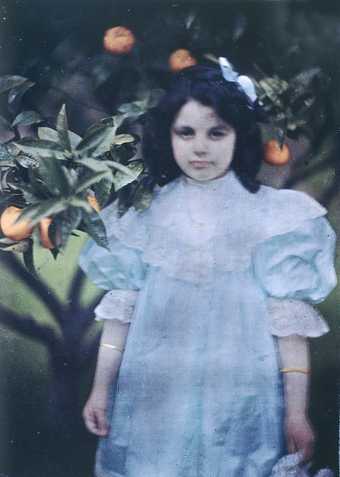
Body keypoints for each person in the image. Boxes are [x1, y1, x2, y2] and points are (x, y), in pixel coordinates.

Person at [79, 61, 337, 477]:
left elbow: (289, 328)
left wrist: (296, 413)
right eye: (187, 132)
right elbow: (120, 314)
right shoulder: (144, 216)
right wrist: (100, 390)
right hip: (156, 392)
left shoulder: (271, 218)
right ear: (169, 136)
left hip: (240, 389)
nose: (201, 147)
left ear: (240, 136)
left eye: (217, 133)